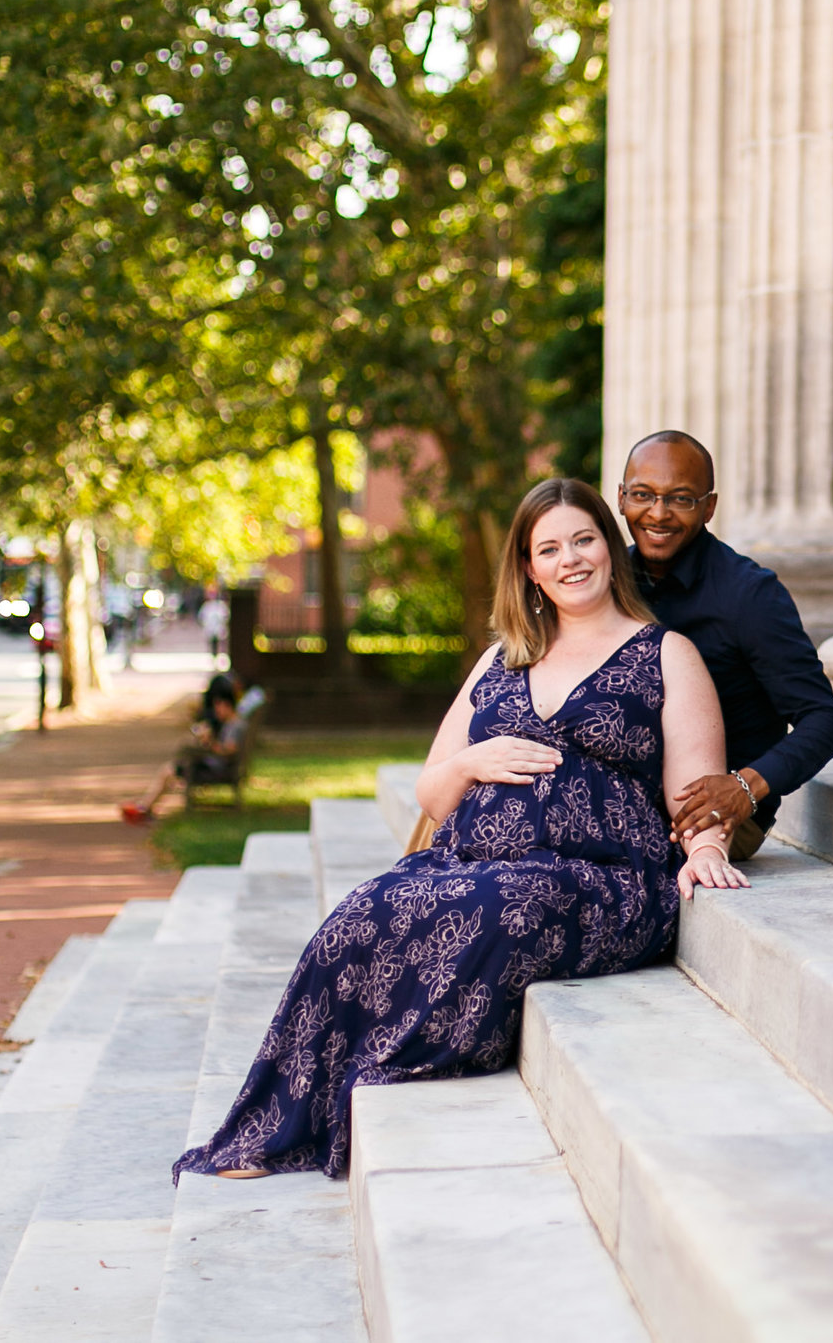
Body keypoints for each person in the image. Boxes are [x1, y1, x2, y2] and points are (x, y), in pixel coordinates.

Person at [175, 478, 741, 1181]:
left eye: (585, 539)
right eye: (550, 548)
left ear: (610, 547)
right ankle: (273, 1127)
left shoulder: (665, 654)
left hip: (600, 878)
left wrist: (706, 847)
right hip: (470, 857)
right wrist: (474, 757)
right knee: (357, 915)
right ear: (530, 568)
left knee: (501, 907)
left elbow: (696, 789)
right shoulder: (503, 657)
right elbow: (432, 788)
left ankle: (371, 1073)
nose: (571, 559)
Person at [618, 430, 833, 861]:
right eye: (643, 494)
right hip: (623, 793)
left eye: (681, 499)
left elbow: (825, 719)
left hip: (715, 813)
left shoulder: (750, 595)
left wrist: (747, 785)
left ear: (709, 507)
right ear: (620, 498)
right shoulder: (607, 580)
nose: (658, 513)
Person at [123, 685, 249, 823]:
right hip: (216, 766)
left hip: (217, 770)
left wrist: (209, 742)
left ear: (227, 705)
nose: (216, 710)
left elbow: (228, 751)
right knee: (170, 769)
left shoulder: (235, 726)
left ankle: (145, 808)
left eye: (218, 706)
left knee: (169, 771)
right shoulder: (233, 724)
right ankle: (146, 807)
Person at [198, 590, 230, 665]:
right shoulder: (208, 606)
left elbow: (225, 616)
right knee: (214, 644)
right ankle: (214, 657)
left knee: (218, 644)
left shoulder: (219, 606)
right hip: (212, 628)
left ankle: (218, 657)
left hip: (217, 628)